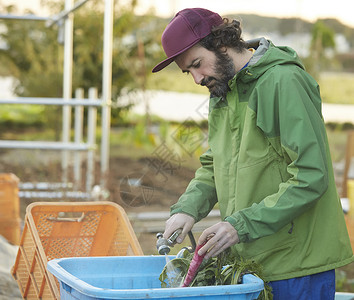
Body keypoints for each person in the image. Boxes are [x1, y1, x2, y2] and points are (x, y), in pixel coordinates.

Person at [152, 7, 354, 299]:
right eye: (188, 72)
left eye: (197, 64)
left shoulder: (282, 82)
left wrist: (238, 226)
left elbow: (311, 175)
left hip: (297, 265)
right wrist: (187, 209)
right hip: (254, 265)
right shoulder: (223, 93)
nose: (196, 78)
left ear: (221, 44)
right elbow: (214, 164)